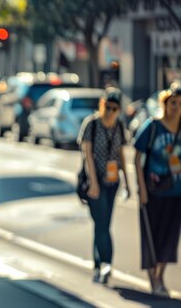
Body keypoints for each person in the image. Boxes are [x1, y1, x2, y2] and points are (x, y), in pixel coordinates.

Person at [77, 88, 129, 284]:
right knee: (101, 224)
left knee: (103, 224)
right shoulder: (91, 124)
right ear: (102, 104)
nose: (110, 112)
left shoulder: (120, 126)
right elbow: (87, 154)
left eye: (115, 109)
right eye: (107, 107)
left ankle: (98, 266)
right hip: (95, 182)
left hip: (113, 182)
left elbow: (122, 155)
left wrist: (128, 184)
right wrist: (93, 183)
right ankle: (106, 263)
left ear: (119, 110)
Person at [134, 87, 181, 297]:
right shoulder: (153, 127)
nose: (177, 107)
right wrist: (141, 189)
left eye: (180, 103)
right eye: (173, 103)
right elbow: (137, 158)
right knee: (153, 236)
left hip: (177, 192)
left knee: (170, 239)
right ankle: (153, 278)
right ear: (165, 104)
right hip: (153, 192)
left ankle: (160, 276)